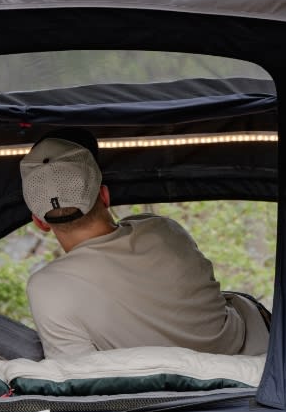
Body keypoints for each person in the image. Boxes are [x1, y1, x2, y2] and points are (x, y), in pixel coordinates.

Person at [19, 129, 263, 360]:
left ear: (40, 223)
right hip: (262, 353)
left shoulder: (47, 288)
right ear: (105, 196)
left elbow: (76, 376)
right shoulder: (164, 231)